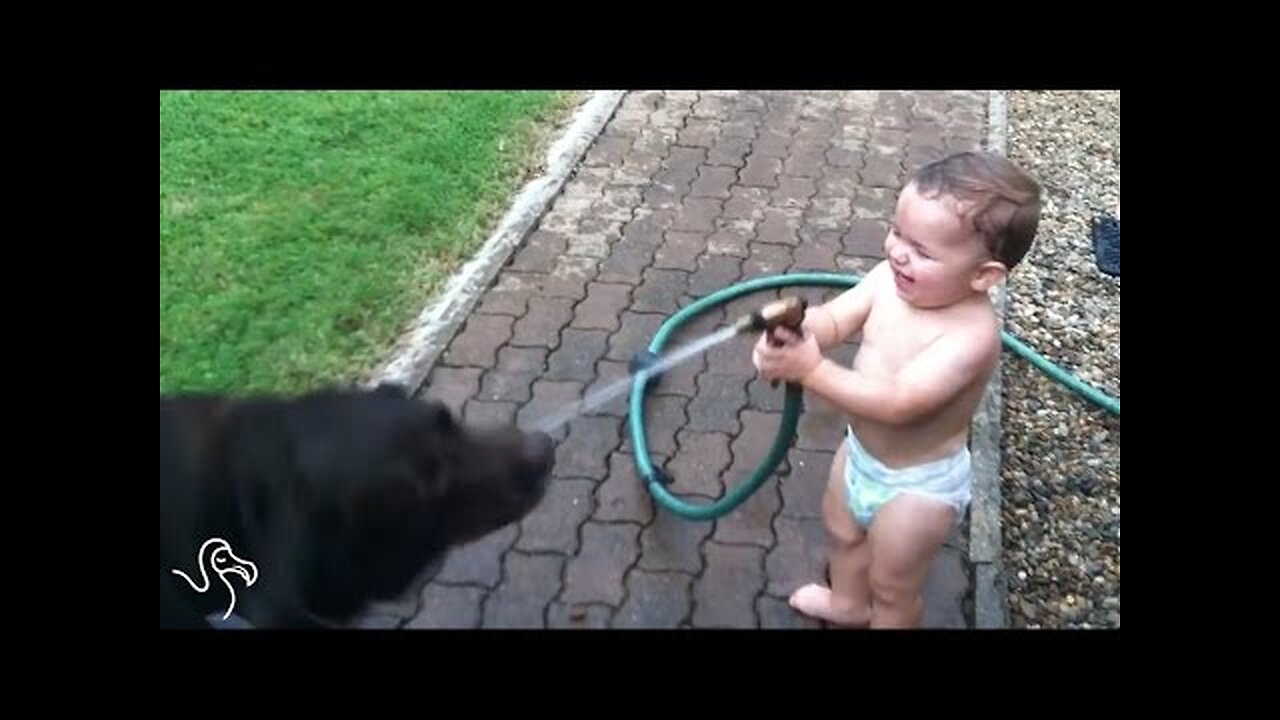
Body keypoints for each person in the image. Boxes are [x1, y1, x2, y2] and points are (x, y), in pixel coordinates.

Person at [753, 151, 1041, 628]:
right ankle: (847, 605)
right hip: (861, 454)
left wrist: (809, 371)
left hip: (917, 487)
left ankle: (881, 612)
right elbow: (837, 318)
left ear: (983, 275)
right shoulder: (888, 280)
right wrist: (801, 336)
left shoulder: (970, 337)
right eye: (897, 232)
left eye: (923, 251)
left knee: (893, 586)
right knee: (842, 535)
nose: (898, 252)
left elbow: (900, 403)